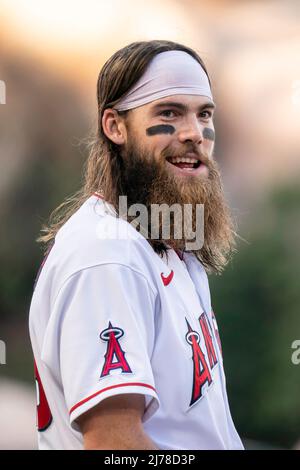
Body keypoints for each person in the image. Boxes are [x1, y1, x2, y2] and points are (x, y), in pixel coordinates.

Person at [29, 39, 244, 450]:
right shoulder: (107, 255)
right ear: (115, 126)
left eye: (204, 115)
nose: (194, 133)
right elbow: (115, 445)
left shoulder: (161, 243)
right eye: (169, 113)